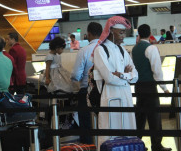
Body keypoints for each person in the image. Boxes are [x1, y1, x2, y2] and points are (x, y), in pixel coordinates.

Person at [92, 16, 138, 147]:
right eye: (121, 32)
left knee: (128, 132)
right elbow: (109, 78)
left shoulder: (123, 50)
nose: (123, 36)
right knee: (110, 134)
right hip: (109, 97)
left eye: (124, 33)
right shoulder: (100, 50)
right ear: (111, 31)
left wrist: (121, 75)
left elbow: (135, 77)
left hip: (126, 96)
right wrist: (126, 76)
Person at [132, 24, 171, 151]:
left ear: (139, 35)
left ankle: (137, 144)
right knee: (154, 117)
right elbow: (157, 70)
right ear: (149, 34)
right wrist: (164, 88)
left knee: (140, 117)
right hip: (149, 86)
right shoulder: (151, 48)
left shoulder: (134, 49)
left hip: (138, 87)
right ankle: (156, 145)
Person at [71, 22, 102, 144]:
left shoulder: (84, 51)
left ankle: (88, 146)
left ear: (88, 34)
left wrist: (74, 80)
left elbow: (75, 75)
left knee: (86, 124)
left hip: (86, 91)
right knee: (103, 122)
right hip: (104, 91)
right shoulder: (107, 48)